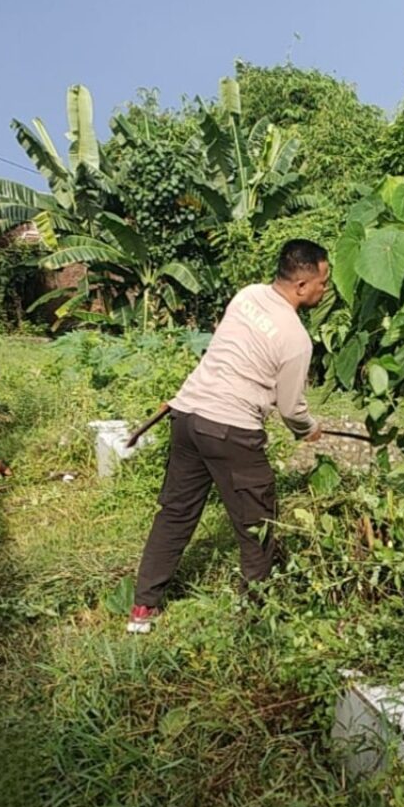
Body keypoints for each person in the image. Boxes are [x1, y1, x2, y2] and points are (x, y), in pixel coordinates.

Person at [127, 239, 329, 634]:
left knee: (176, 512)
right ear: (302, 285)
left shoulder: (248, 295)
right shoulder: (296, 340)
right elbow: (291, 409)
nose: (325, 290)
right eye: (323, 282)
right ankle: (256, 616)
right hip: (230, 429)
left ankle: (142, 607)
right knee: (257, 524)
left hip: (187, 415)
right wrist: (309, 429)